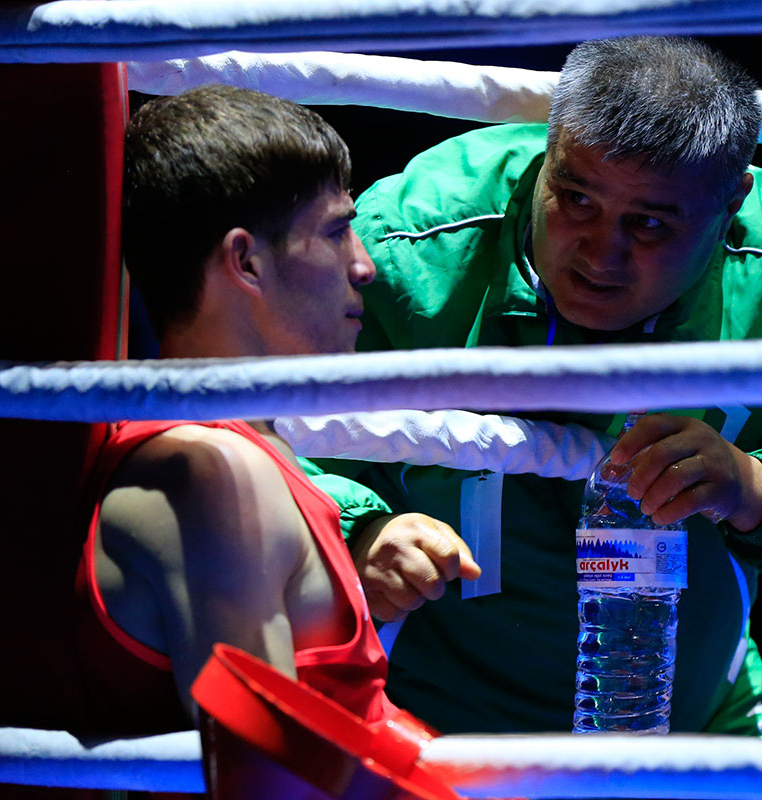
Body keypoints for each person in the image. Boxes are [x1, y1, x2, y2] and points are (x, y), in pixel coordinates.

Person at [323, 36, 762, 736]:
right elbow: (256, 436)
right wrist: (357, 529)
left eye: (648, 223)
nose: (600, 251)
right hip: (423, 723)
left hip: (697, 717)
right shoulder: (408, 242)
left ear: (730, 199)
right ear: (546, 148)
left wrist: (755, 489)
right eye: (575, 197)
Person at [74, 84, 481, 733]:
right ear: (246, 261)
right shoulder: (212, 471)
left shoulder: (251, 451)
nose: (366, 265)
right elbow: (262, 759)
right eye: (337, 230)